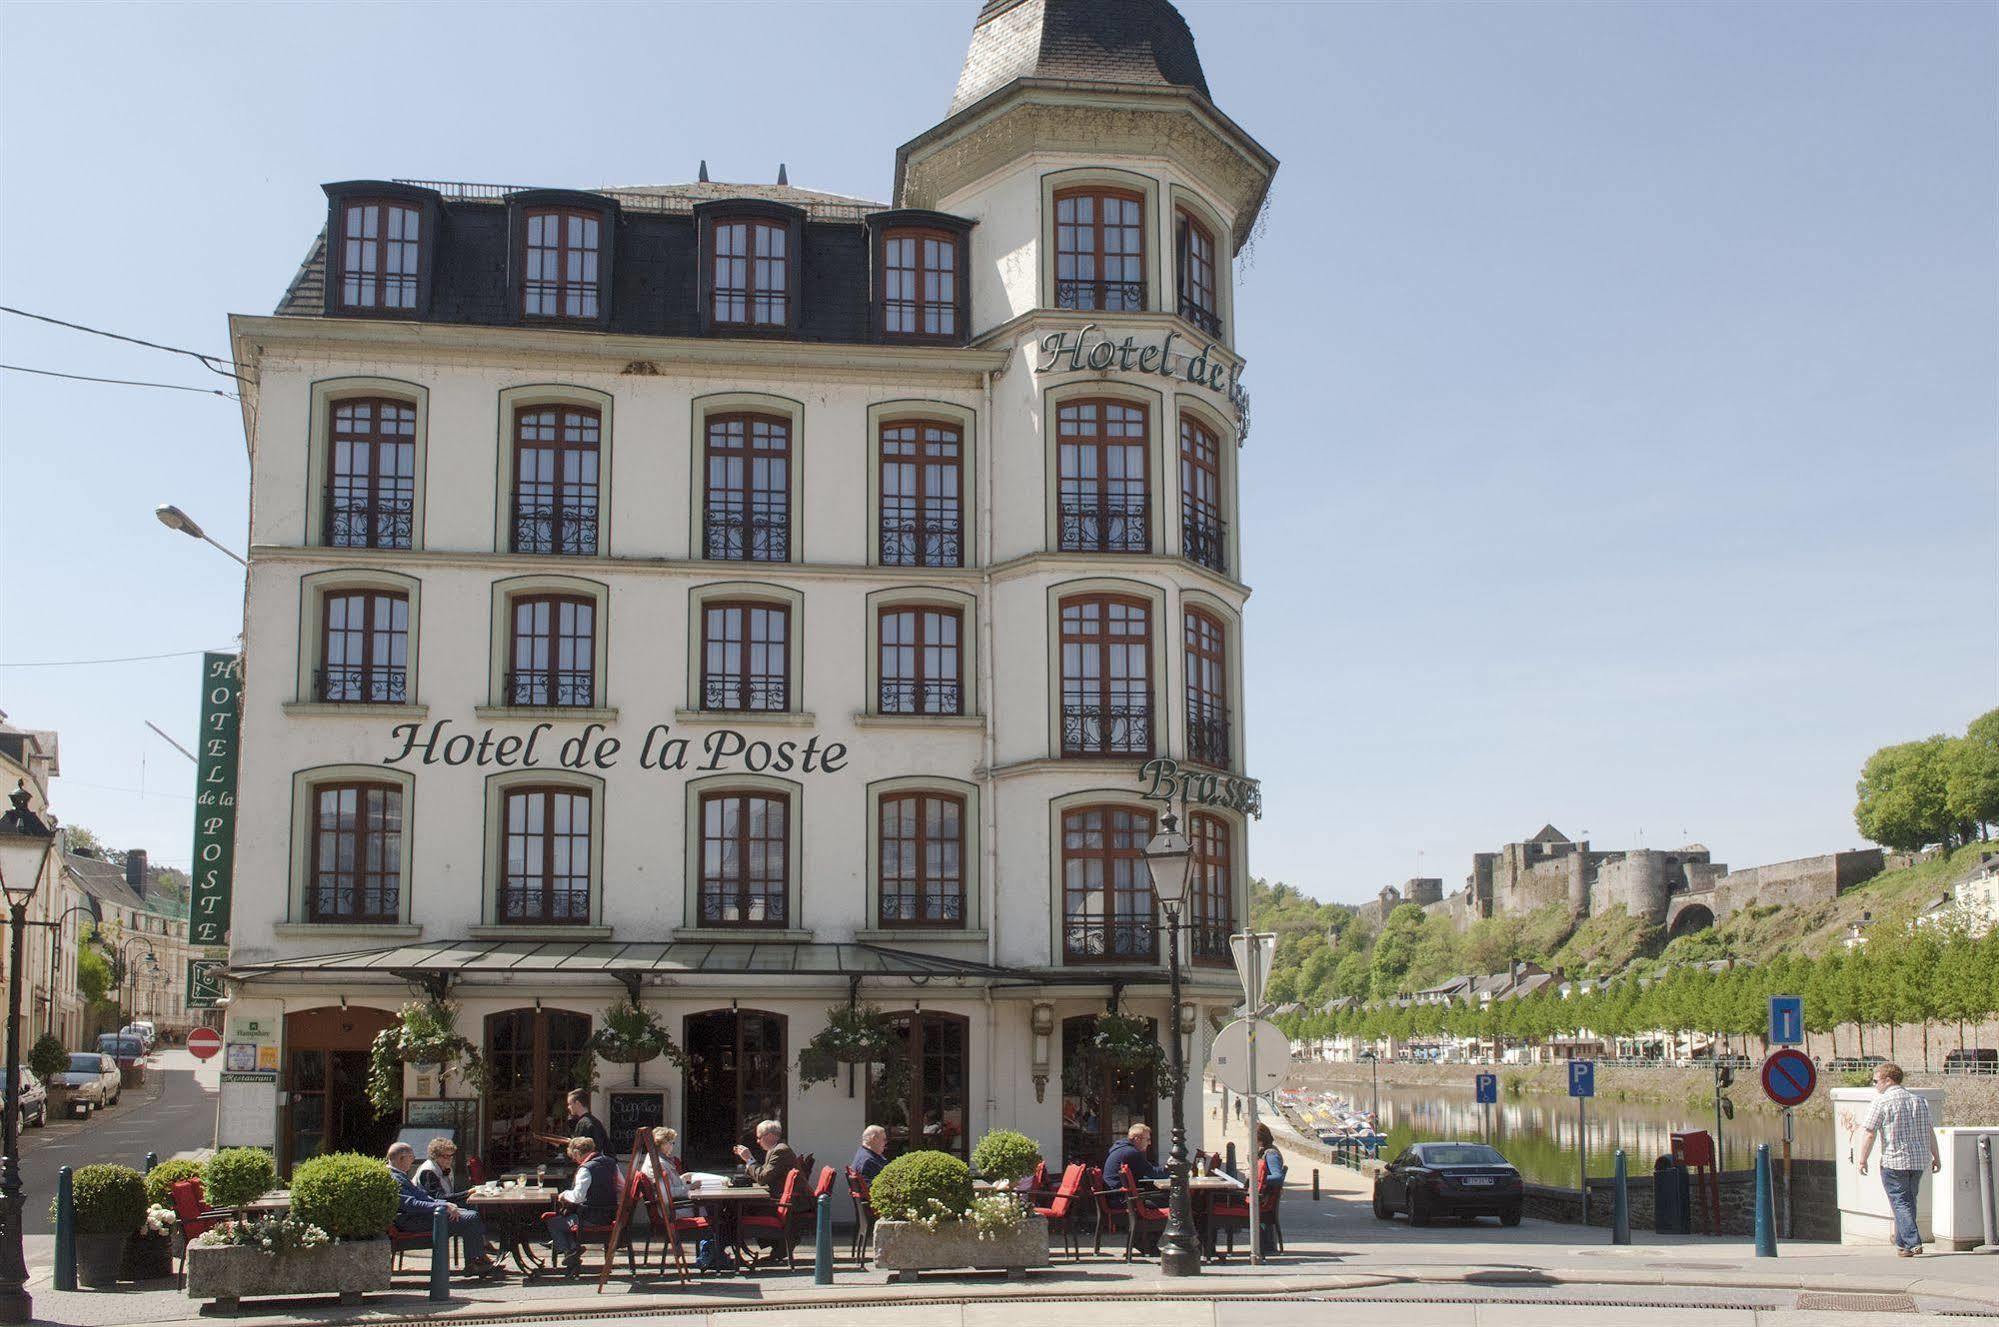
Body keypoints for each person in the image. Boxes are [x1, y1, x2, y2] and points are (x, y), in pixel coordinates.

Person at [1856, 1062, 1940, 1257]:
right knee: (1909, 1201)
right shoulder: (1919, 1101)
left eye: (1876, 1081)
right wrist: (1937, 1156)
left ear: (1888, 1080)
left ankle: (1913, 1241)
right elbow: (1929, 1132)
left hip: (1894, 1161)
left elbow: (1869, 1132)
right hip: (1918, 1161)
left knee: (1900, 1202)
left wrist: (1862, 1159)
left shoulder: (1881, 1101)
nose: (1874, 1084)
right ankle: (1903, 1246)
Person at [387, 1142, 498, 1279]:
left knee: (471, 1213)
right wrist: (444, 1206)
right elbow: (411, 1204)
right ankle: (475, 1261)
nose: (413, 1160)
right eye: (411, 1157)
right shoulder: (394, 1178)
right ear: (401, 1159)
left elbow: (424, 1197)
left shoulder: (400, 1175)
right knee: (470, 1217)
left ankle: (477, 1259)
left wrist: (446, 1205)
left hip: (418, 1216)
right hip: (410, 1221)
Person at [545, 1137, 621, 1275]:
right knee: (565, 1221)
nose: (575, 1161)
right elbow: (622, 1187)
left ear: (578, 1153)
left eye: (574, 1157)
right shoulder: (611, 1164)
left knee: (555, 1223)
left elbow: (578, 1196)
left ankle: (571, 1252)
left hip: (589, 1218)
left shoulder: (586, 1169)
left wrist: (564, 1195)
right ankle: (573, 1251)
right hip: (610, 1215)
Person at [1102, 1124, 1168, 1254]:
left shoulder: (1122, 1149)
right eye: (1147, 1139)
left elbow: (1147, 1170)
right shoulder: (1131, 1153)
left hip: (1116, 1196)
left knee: (1162, 1199)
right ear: (1137, 1139)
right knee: (1173, 1203)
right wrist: (1172, 1170)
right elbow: (1152, 1172)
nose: (1149, 1143)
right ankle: (1147, 1243)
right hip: (1122, 1199)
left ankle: (1143, 1242)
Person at [733, 1119, 799, 1199]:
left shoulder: (780, 1151)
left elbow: (763, 1179)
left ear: (770, 1136)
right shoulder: (774, 1149)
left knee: (737, 1204)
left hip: (783, 1202)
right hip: (778, 1197)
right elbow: (762, 1174)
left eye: (759, 1137)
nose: (757, 1141)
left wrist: (749, 1159)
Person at [641, 1126, 689, 1203]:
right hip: (676, 1208)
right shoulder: (659, 1164)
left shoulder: (653, 1158)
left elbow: (668, 1184)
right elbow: (669, 1192)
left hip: (674, 1204)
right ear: (663, 1144)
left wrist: (682, 1179)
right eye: (671, 1143)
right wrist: (690, 1187)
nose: (672, 1146)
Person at [563, 1090, 612, 1158]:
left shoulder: (583, 1123)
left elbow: (580, 1150)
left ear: (577, 1103)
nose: (568, 1107)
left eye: (570, 1104)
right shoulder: (596, 1122)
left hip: (590, 1164)